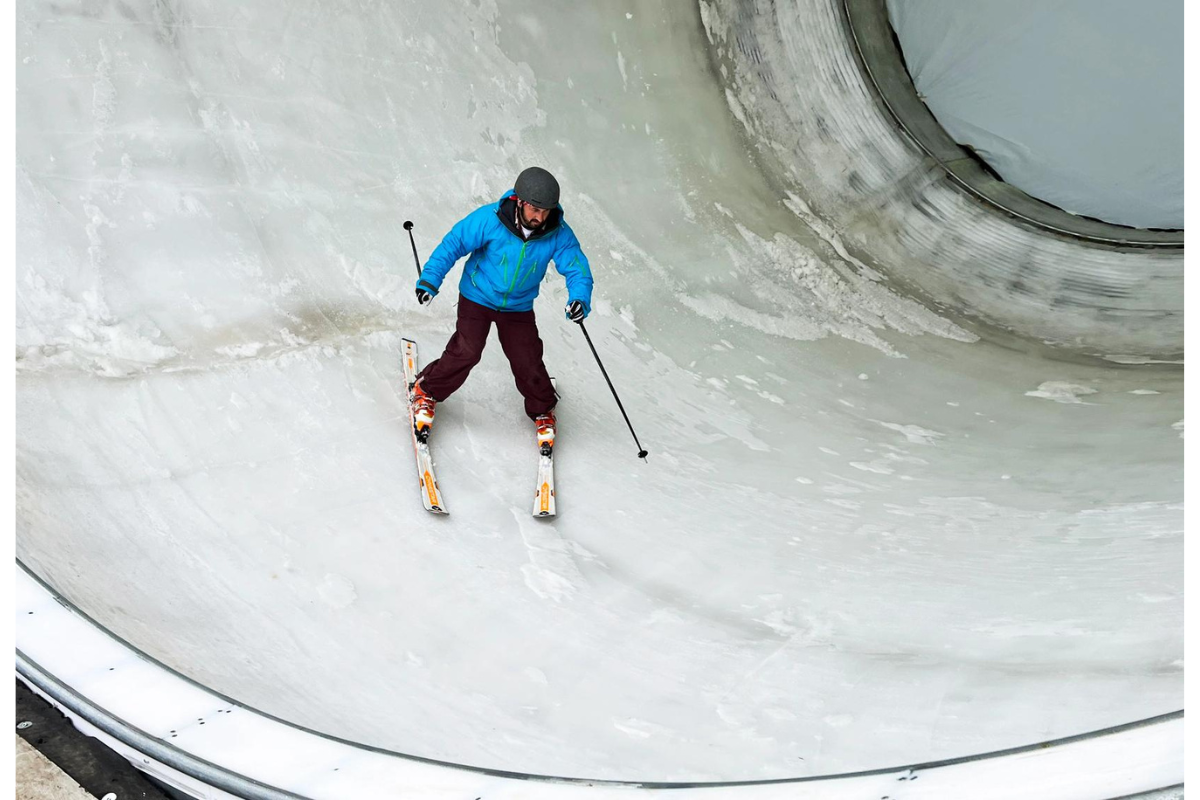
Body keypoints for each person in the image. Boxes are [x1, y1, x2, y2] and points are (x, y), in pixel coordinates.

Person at [410, 167, 594, 451]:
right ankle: (426, 390)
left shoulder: (557, 232)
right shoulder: (491, 219)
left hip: (517, 306)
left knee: (527, 358)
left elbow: (577, 269)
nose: (540, 217)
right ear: (519, 201)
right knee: (468, 350)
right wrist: (430, 280)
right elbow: (454, 243)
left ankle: (543, 409)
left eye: (546, 210)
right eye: (534, 208)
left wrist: (579, 298)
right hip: (478, 296)